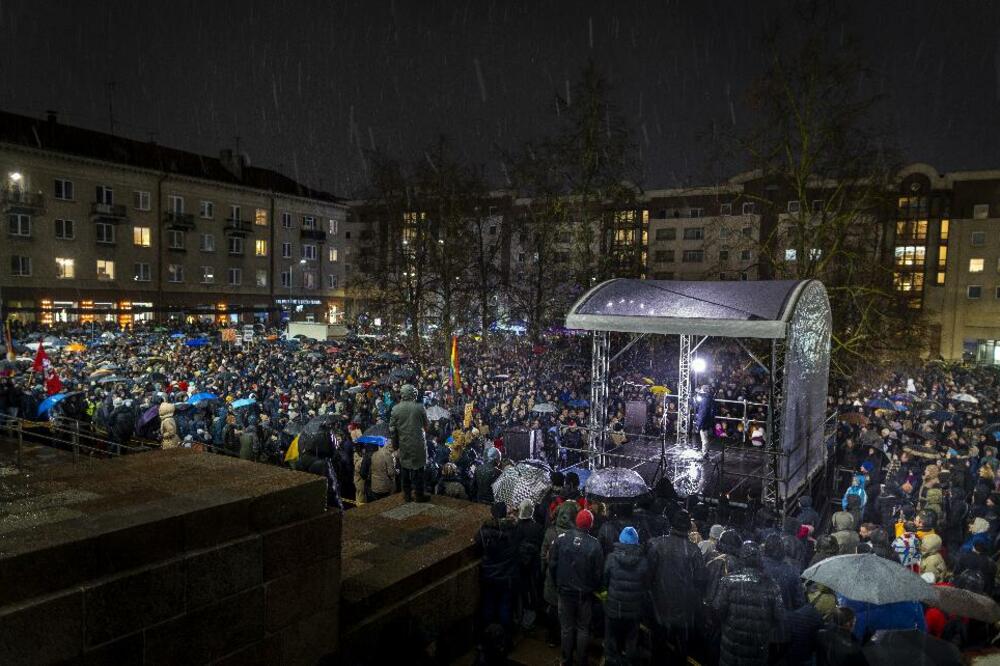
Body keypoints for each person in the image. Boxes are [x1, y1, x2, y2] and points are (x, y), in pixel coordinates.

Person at [647, 509, 707, 662]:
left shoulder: (657, 544)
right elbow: (700, 581)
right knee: (680, 654)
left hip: (659, 608)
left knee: (658, 652)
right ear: (688, 528)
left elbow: (648, 576)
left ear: (671, 524)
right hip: (683, 612)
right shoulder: (694, 551)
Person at [713, 541, 787, 666]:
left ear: (742, 558)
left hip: (732, 645)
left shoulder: (728, 581)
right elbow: (779, 615)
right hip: (757, 649)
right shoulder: (772, 585)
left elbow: (718, 609)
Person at [548, 508, 603, 666]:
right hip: (584, 595)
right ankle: (581, 661)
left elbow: (552, 564)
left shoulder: (561, 539)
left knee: (566, 628)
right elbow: (598, 574)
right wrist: (593, 588)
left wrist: (557, 582)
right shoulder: (595, 545)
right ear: (590, 525)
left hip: (564, 593)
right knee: (583, 628)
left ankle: (565, 660)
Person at [603, 526, 649, 666]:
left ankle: (611, 661)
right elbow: (646, 585)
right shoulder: (643, 562)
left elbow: (605, 579)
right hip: (634, 609)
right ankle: (628, 661)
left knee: (611, 637)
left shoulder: (611, 558)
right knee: (631, 639)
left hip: (614, 606)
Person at [477, 501, 520, 646]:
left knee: (488, 607)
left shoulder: (484, 532)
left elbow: (478, 542)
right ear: (504, 514)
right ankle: (505, 640)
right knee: (505, 608)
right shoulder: (513, 530)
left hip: (489, 575)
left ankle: (486, 639)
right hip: (507, 577)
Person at [389, 384, 430, 502]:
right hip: (418, 444)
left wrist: (395, 445)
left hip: (404, 443)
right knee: (419, 470)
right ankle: (419, 495)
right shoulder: (419, 407)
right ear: (412, 394)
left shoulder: (395, 409)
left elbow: (392, 430)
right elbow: (426, 426)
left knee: (405, 469)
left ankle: (406, 495)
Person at [695, 386, 716, 457]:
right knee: (705, 437)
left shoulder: (705, 400)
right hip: (708, 420)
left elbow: (702, 413)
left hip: (704, 421)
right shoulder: (711, 398)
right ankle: (706, 451)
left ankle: (704, 453)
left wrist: (699, 424)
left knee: (704, 438)